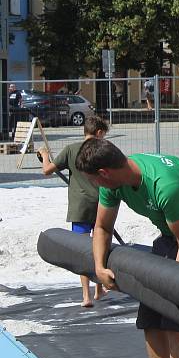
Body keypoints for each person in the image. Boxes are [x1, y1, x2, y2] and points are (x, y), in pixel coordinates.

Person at [76, 139, 179, 358]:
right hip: (171, 237)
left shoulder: (164, 185)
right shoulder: (112, 182)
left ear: (103, 173)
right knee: (150, 318)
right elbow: (102, 227)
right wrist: (99, 267)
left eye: (93, 180)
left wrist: (174, 287)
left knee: (174, 319)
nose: (94, 185)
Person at [38, 115, 110, 307]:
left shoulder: (71, 150)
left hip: (80, 207)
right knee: (100, 246)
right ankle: (99, 287)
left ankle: (86, 296)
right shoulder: (102, 150)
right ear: (99, 133)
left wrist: (45, 155)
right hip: (102, 205)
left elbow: (47, 170)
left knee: (82, 249)